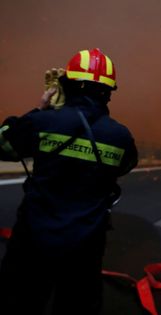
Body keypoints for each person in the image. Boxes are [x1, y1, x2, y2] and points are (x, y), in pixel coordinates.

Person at [0, 48, 138, 315]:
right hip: (85, 246)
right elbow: (126, 165)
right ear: (109, 91)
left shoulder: (43, 121)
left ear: (68, 84)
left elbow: (4, 145)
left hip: (33, 239)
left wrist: (42, 108)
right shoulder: (121, 136)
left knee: (18, 302)